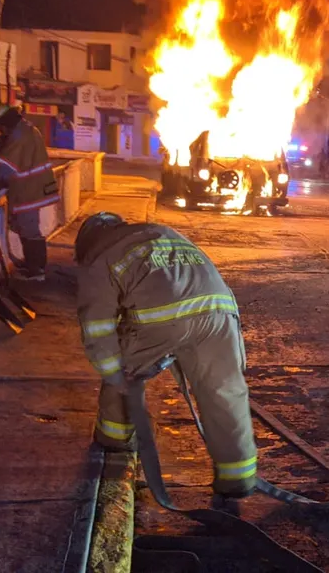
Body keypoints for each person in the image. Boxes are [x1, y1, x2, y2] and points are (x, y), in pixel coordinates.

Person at [74, 212, 260, 498]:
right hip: (220, 312)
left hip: (162, 319)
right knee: (224, 392)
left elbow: (98, 329)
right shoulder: (160, 233)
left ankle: (115, 438)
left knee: (123, 372)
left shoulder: (99, 260)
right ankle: (238, 477)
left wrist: (115, 372)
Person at [0, 103, 59, 281]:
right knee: (27, 228)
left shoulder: (19, 136)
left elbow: (5, 167)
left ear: (3, 122)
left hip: (29, 190)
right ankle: (33, 265)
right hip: (33, 188)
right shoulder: (26, 128)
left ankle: (37, 271)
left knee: (30, 230)